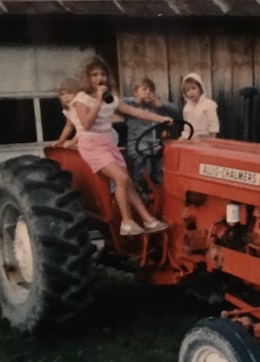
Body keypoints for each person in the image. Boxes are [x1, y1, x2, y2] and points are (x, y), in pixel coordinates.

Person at [72, 56, 173, 236]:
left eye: (102, 74)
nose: (99, 78)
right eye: (94, 75)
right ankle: (126, 223)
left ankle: (148, 220)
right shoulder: (81, 99)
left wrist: (161, 118)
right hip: (91, 145)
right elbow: (86, 124)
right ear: (87, 78)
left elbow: (135, 111)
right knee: (121, 179)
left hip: (107, 143)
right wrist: (97, 100)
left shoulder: (111, 99)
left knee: (128, 183)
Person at [122, 77, 181, 193]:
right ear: (135, 92)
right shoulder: (130, 105)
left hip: (154, 145)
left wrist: (163, 104)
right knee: (145, 168)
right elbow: (116, 103)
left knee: (161, 167)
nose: (148, 92)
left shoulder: (155, 107)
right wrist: (135, 100)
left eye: (151, 90)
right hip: (137, 144)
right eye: (144, 89)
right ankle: (139, 190)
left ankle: (159, 192)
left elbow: (176, 113)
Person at [181, 72, 219, 139]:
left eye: (193, 88)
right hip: (191, 137)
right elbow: (187, 129)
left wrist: (213, 138)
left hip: (206, 137)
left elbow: (213, 124)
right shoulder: (187, 108)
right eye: (188, 90)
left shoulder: (209, 104)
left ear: (200, 89)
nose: (191, 92)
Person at [52, 77, 82, 149]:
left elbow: (84, 129)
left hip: (97, 135)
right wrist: (61, 141)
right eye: (62, 94)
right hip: (83, 135)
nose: (65, 97)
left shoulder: (81, 108)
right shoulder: (69, 110)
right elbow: (69, 126)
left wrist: (74, 141)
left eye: (69, 93)